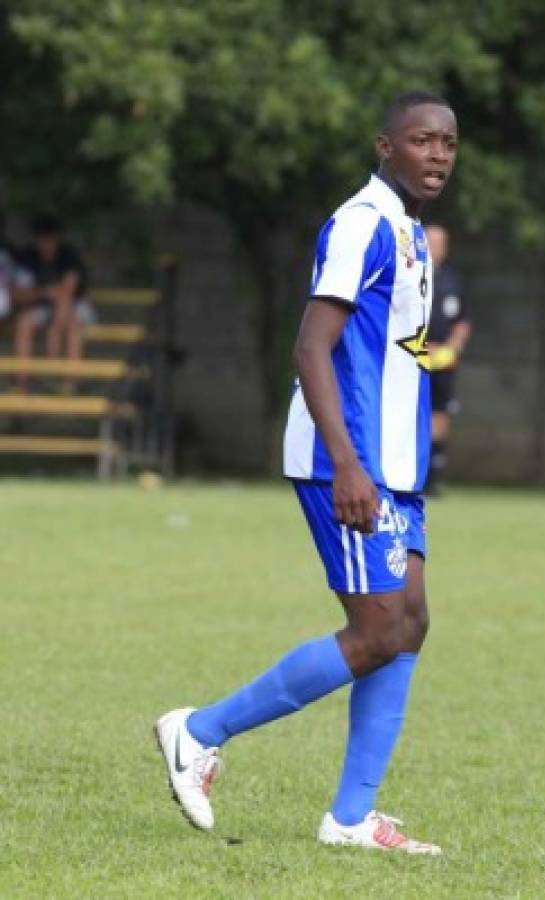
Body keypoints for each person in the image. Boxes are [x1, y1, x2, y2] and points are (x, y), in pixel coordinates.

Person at [155, 91, 458, 855]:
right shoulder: (361, 224)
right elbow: (311, 346)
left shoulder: (409, 231)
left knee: (410, 622)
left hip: (395, 466)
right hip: (347, 462)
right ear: (385, 146)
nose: (437, 155)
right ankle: (199, 732)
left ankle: (352, 818)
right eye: (421, 140)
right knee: (378, 629)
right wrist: (349, 464)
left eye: (448, 144)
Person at [13, 214, 93, 385]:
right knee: (24, 323)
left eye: (49, 237)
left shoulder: (69, 255)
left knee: (73, 324)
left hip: (75, 304)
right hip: (42, 305)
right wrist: (45, 293)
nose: (45, 242)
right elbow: (19, 294)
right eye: (41, 237)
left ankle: (71, 381)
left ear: (57, 237)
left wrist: (54, 332)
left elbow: (67, 293)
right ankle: (22, 381)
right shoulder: (27, 257)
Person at [425, 225, 471, 494]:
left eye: (440, 244)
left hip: (442, 360)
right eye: (430, 242)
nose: (435, 248)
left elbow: (463, 321)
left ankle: (432, 477)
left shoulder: (453, 281)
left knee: (440, 414)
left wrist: (452, 347)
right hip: (412, 357)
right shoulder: (408, 276)